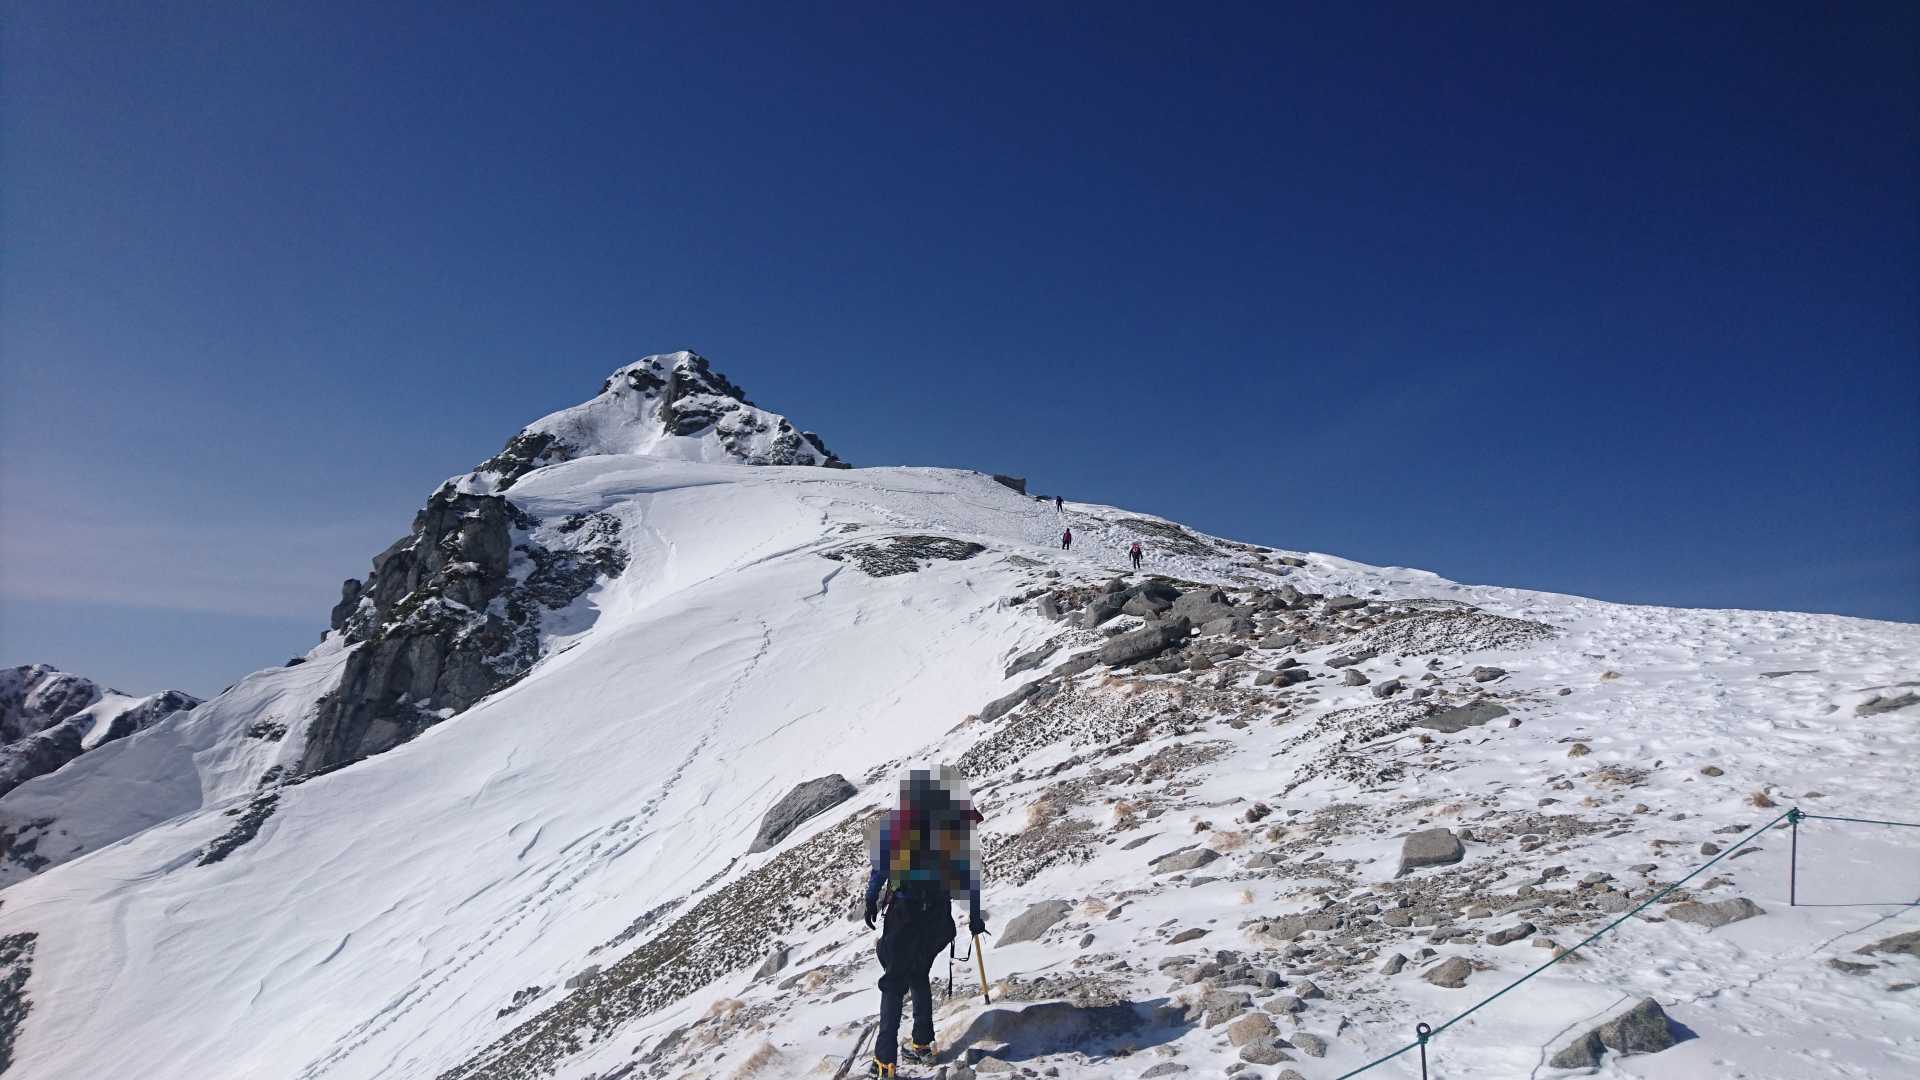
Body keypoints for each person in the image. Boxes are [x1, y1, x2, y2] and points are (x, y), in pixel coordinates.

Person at [864, 767, 986, 1077]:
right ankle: (921, 1044)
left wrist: (870, 897)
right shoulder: (954, 828)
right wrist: (974, 917)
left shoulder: (904, 823)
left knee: (894, 982)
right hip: (937, 916)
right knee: (918, 973)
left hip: (905, 913)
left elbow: (881, 866)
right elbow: (970, 877)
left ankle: (884, 1061)